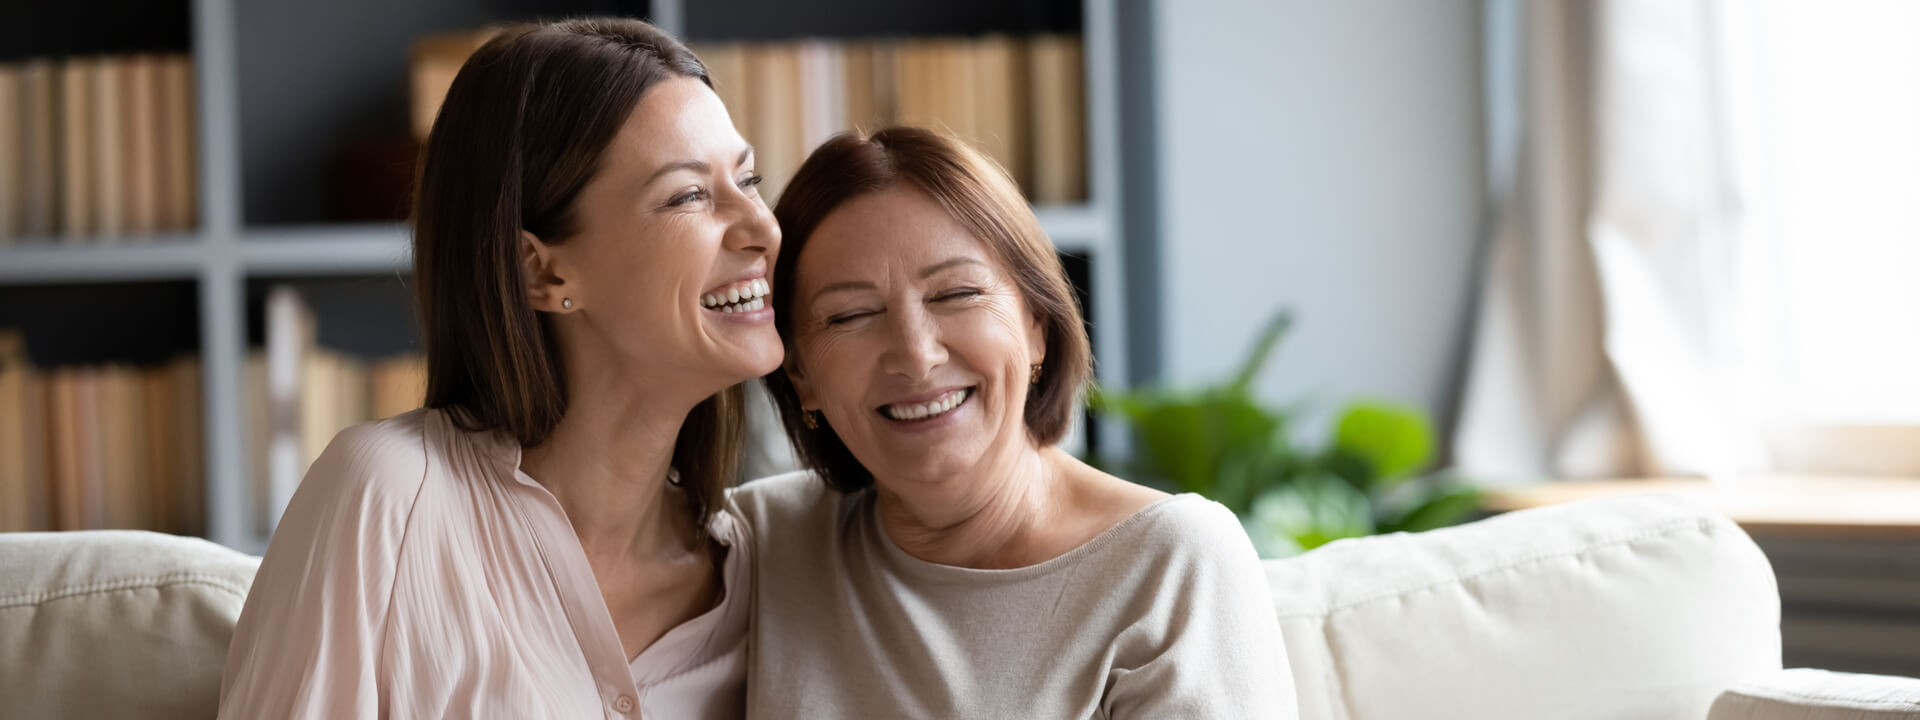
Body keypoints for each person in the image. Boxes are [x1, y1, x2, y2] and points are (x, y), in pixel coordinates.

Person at [218, 18, 779, 718]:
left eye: (749, 180)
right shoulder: (388, 500)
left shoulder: (766, 579)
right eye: (689, 195)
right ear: (540, 271)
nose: (763, 228)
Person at [736, 126, 1296, 718]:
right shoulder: (760, 545)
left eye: (956, 293)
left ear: (1037, 324)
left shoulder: (1172, 564)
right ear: (799, 375)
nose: (916, 355)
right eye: (851, 315)